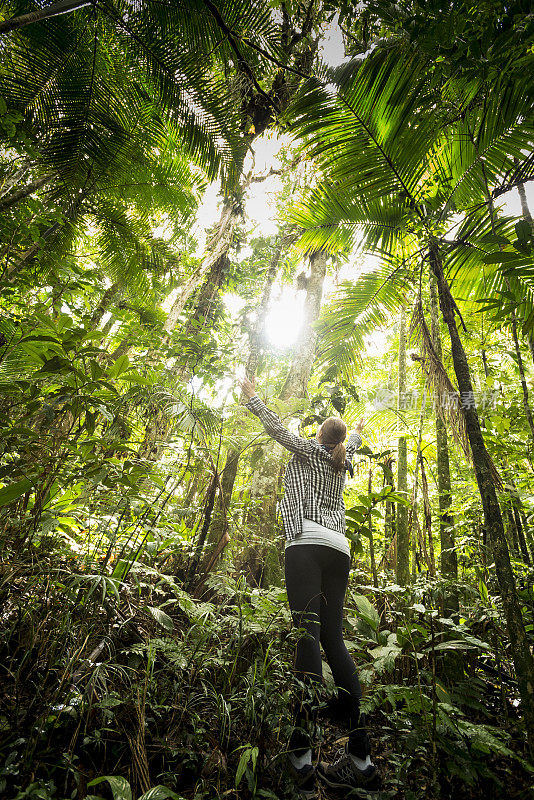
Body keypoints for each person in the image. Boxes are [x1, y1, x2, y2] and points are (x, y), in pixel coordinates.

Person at [238, 376, 377, 799]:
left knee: (308, 635)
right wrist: (359, 426)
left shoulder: (312, 450)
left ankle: (301, 752)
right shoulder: (343, 456)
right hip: (340, 549)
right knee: (334, 639)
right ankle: (361, 758)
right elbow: (352, 437)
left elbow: (278, 430)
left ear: (319, 435)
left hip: (306, 544)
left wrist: (253, 397)